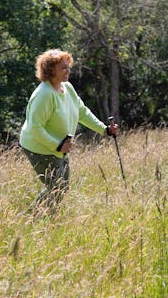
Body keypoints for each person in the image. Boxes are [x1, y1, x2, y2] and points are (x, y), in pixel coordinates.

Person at [19, 49, 119, 215]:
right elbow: (35, 128)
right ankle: (35, 218)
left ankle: (36, 217)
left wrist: (104, 130)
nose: (68, 71)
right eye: (63, 68)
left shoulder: (67, 88)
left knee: (61, 187)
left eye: (68, 67)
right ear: (51, 70)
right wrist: (57, 146)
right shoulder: (43, 95)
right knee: (57, 187)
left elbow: (82, 112)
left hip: (59, 147)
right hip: (38, 147)